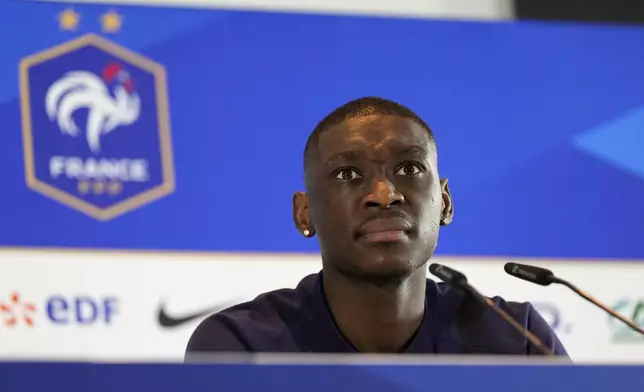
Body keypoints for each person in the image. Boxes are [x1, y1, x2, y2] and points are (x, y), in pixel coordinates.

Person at [185, 97, 568, 357]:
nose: (384, 194)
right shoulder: (242, 346)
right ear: (305, 214)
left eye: (409, 169)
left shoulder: (518, 340)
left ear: (445, 202)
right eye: (347, 173)